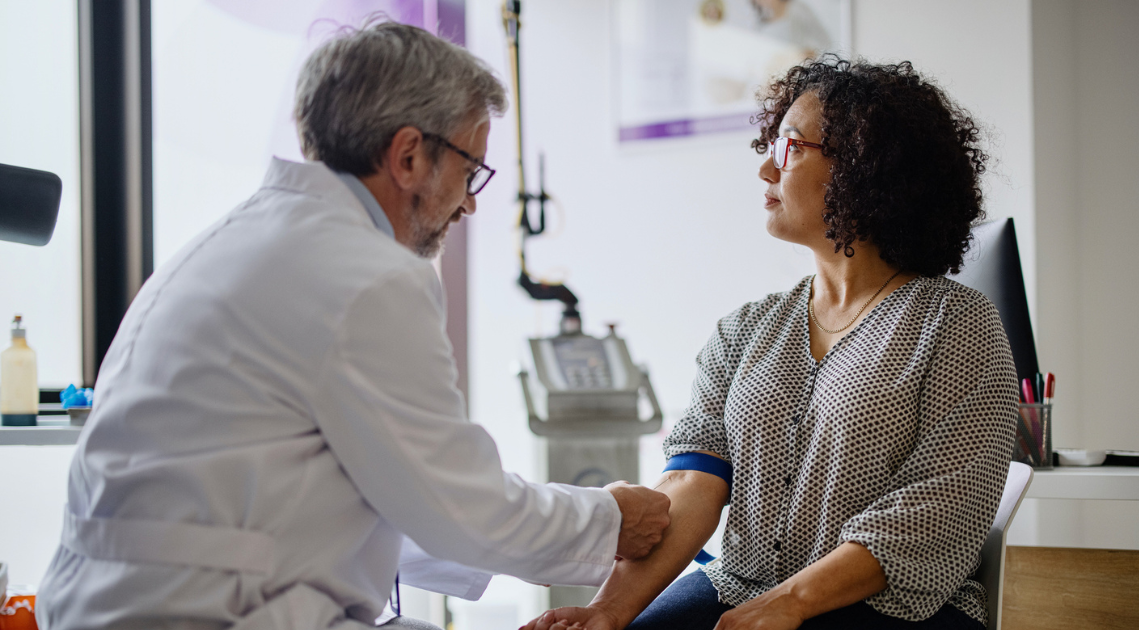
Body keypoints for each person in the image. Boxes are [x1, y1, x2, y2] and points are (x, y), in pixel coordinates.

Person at [35, 20, 670, 630]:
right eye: (470, 168)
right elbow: (464, 507)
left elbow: (382, 502)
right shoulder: (369, 276)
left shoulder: (232, 243)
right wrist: (610, 521)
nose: (471, 201)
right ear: (409, 155)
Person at [523, 57, 1018, 630]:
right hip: (740, 585)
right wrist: (607, 612)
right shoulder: (745, 330)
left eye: (789, 147)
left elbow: (937, 510)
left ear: (865, 168)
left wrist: (792, 601)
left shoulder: (957, 324)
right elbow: (692, 483)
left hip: (892, 605)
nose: (765, 169)